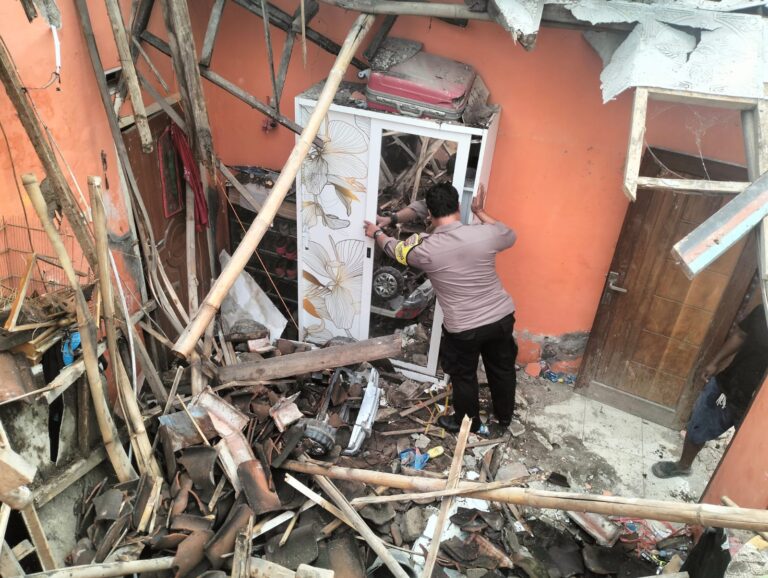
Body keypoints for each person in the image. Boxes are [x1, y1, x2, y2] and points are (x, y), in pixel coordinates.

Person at [364, 183, 518, 433]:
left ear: (429, 215)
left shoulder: (425, 249)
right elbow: (509, 234)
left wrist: (376, 232)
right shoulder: (485, 234)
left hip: (464, 328)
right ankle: (504, 417)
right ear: (458, 206)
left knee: (464, 375)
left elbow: (394, 249)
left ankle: (467, 422)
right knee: (502, 368)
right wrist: (479, 212)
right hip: (500, 317)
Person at [652, 305, 768, 478]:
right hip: (730, 384)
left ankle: (728, 488)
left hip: (760, 407)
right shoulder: (764, 308)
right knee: (698, 426)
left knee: (750, 454)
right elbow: (740, 335)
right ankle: (683, 466)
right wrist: (715, 362)